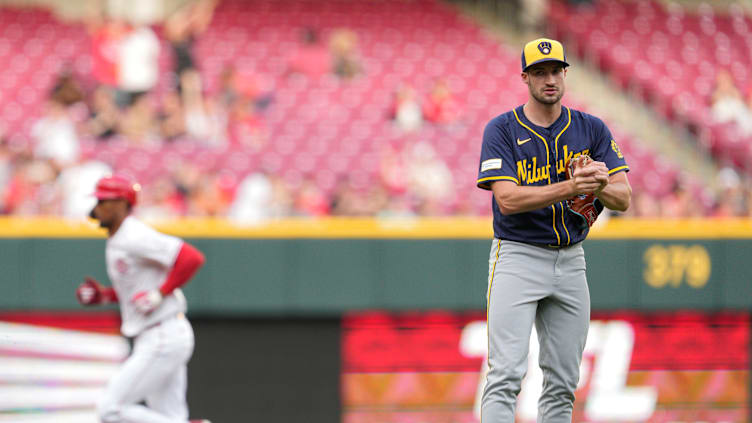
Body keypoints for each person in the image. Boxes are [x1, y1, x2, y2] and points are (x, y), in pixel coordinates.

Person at [476, 38, 631, 421]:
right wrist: (571, 187)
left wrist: (597, 185)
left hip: (570, 259)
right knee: (506, 375)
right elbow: (507, 200)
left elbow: (623, 198)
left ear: (566, 73)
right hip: (517, 254)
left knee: (563, 381)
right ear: (525, 77)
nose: (550, 79)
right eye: (540, 72)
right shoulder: (503, 129)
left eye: (556, 70)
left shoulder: (590, 128)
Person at [75, 175, 210, 423]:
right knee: (169, 417)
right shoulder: (119, 238)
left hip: (162, 335)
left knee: (110, 409)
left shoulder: (133, 235)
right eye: (98, 200)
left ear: (122, 203)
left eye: (104, 201)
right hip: (162, 333)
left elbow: (191, 258)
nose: (98, 207)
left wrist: (161, 293)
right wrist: (105, 296)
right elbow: (135, 290)